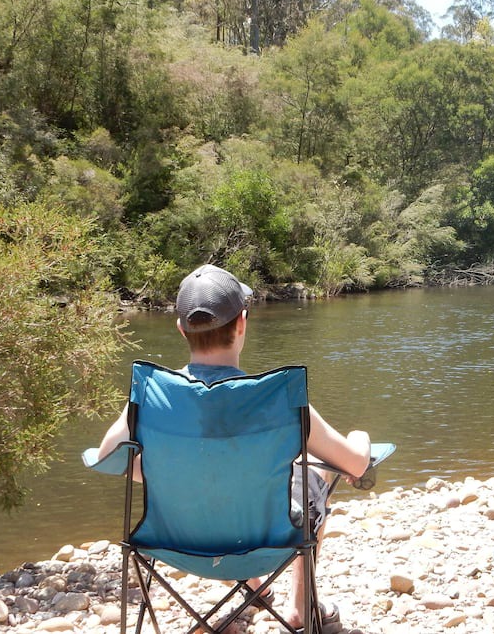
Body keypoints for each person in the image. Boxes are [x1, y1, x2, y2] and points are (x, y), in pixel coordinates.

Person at [98, 264, 371, 633]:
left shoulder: (151, 395)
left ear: (180, 329)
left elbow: (107, 458)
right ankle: (300, 608)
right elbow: (354, 464)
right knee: (312, 471)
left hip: (179, 546)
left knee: (219, 478)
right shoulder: (278, 398)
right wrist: (361, 438)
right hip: (271, 546)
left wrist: (166, 470)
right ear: (242, 323)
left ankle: (255, 593)